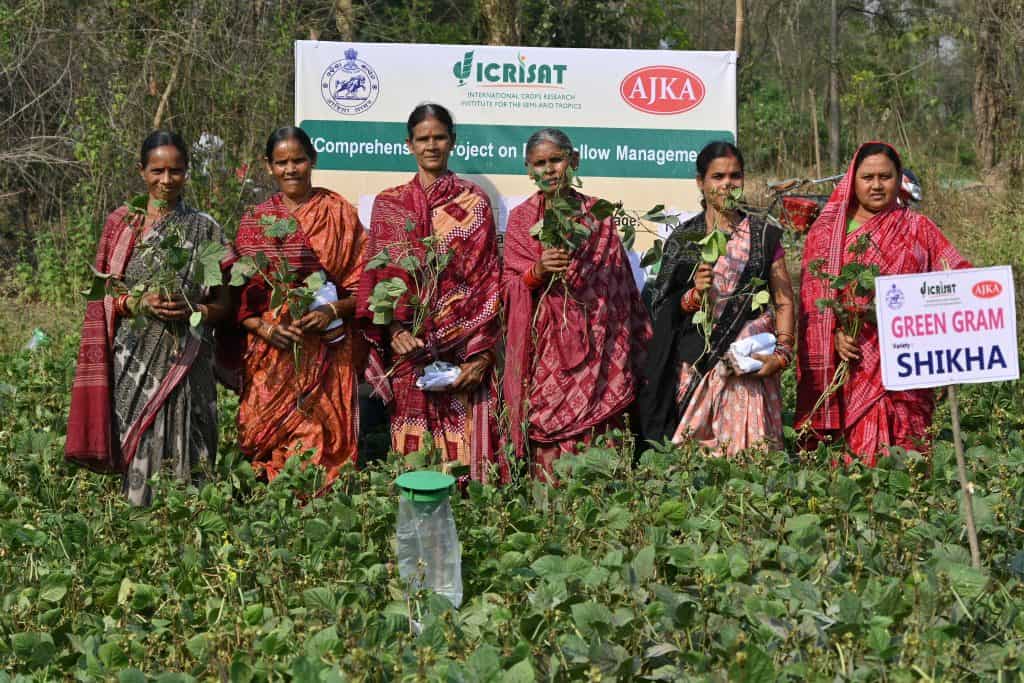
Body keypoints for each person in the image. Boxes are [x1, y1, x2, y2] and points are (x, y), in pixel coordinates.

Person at [66, 130, 231, 505]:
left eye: (176, 170)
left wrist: (197, 309)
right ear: (141, 171)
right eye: (157, 170)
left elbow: (223, 303)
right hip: (135, 358)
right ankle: (137, 520)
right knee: (139, 440)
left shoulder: (205, 228)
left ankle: (191, 518)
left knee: (193, 444)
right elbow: (101, 295)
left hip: (190, 360)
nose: (166, 180)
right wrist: (138, 303)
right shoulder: (122, 225)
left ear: (188, 172)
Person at [356, 103, 505, 483]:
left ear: (452, 142)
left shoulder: (475, 203)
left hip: (461, 350)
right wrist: (393, 332)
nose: (431, 145)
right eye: (423, 139)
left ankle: (470, 526)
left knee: (465, 456)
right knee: (413, 455)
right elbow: (378, 278)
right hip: (410, 350)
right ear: (409, 145)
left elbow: (487, 280)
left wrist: (482, 355)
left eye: (439, 137)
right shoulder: (389, 206)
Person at [796, 141, 969, 465]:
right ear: (852, 179)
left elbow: (958, 278)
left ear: (898, 178)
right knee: (854, 467)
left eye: (885, 176)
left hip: (909, 367)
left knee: (909, 465)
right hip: (852, 367)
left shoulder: (920, 228)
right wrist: (833, 335)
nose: (877, 185)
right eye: (868, 177)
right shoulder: (826, 234)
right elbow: (812, 302)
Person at [502, 128, 652, 481]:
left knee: (601, 436)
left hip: (600, 348)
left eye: (557, 159)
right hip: (546, 350)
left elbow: (620, 289)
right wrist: (536, 272)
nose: (550, 169)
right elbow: (508, 287)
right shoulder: (522, 219)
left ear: (574, 161)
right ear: (528, 170)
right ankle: (550, 509)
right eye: (540, 163)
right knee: (546, 423)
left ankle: (600, 509)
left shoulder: (598, 215)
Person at [226, 126, 367, 484]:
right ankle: (270, 497)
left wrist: (332, 311)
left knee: (326, 434)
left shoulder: (339, 214)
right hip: (273, 350)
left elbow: (363, 283)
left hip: (328, 351)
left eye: (299, 160)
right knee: (263, 430)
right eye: (281, 162)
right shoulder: (256, 222)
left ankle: (323, 500)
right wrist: (266, 329)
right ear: (268, 166)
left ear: (313, 160)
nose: (291, 169)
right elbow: (240, 299)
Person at [637, 141, 795, 456]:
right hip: (696, 367)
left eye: (735, 176)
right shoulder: (685, 238)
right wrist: (693, 296)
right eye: (718, 176)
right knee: (694, 460)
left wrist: (783, 354)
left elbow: (783, 301)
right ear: (701, 182)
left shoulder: (763, 236)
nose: (727, 184)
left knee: (750, 460)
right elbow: (661, 307)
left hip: (748, 367)